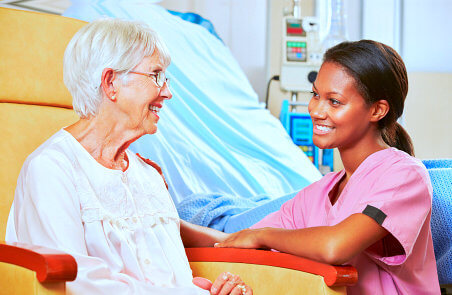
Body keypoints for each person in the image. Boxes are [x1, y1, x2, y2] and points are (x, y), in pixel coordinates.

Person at [6, 18, 251, 295]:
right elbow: (77, 285)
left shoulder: (148, 177)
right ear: (111, 82)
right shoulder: (51, 169)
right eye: (155, 75)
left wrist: (212, 289)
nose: (168, 92)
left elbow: (175, 280)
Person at [215, 40, 441, 294]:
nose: (316, 110)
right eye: (315, 95)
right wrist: (168, 222)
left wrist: (263, 236)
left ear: (377, 110)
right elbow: (235, 240)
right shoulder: (318, 194)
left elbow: (336, 246)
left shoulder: (404, 176)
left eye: (334, 101)